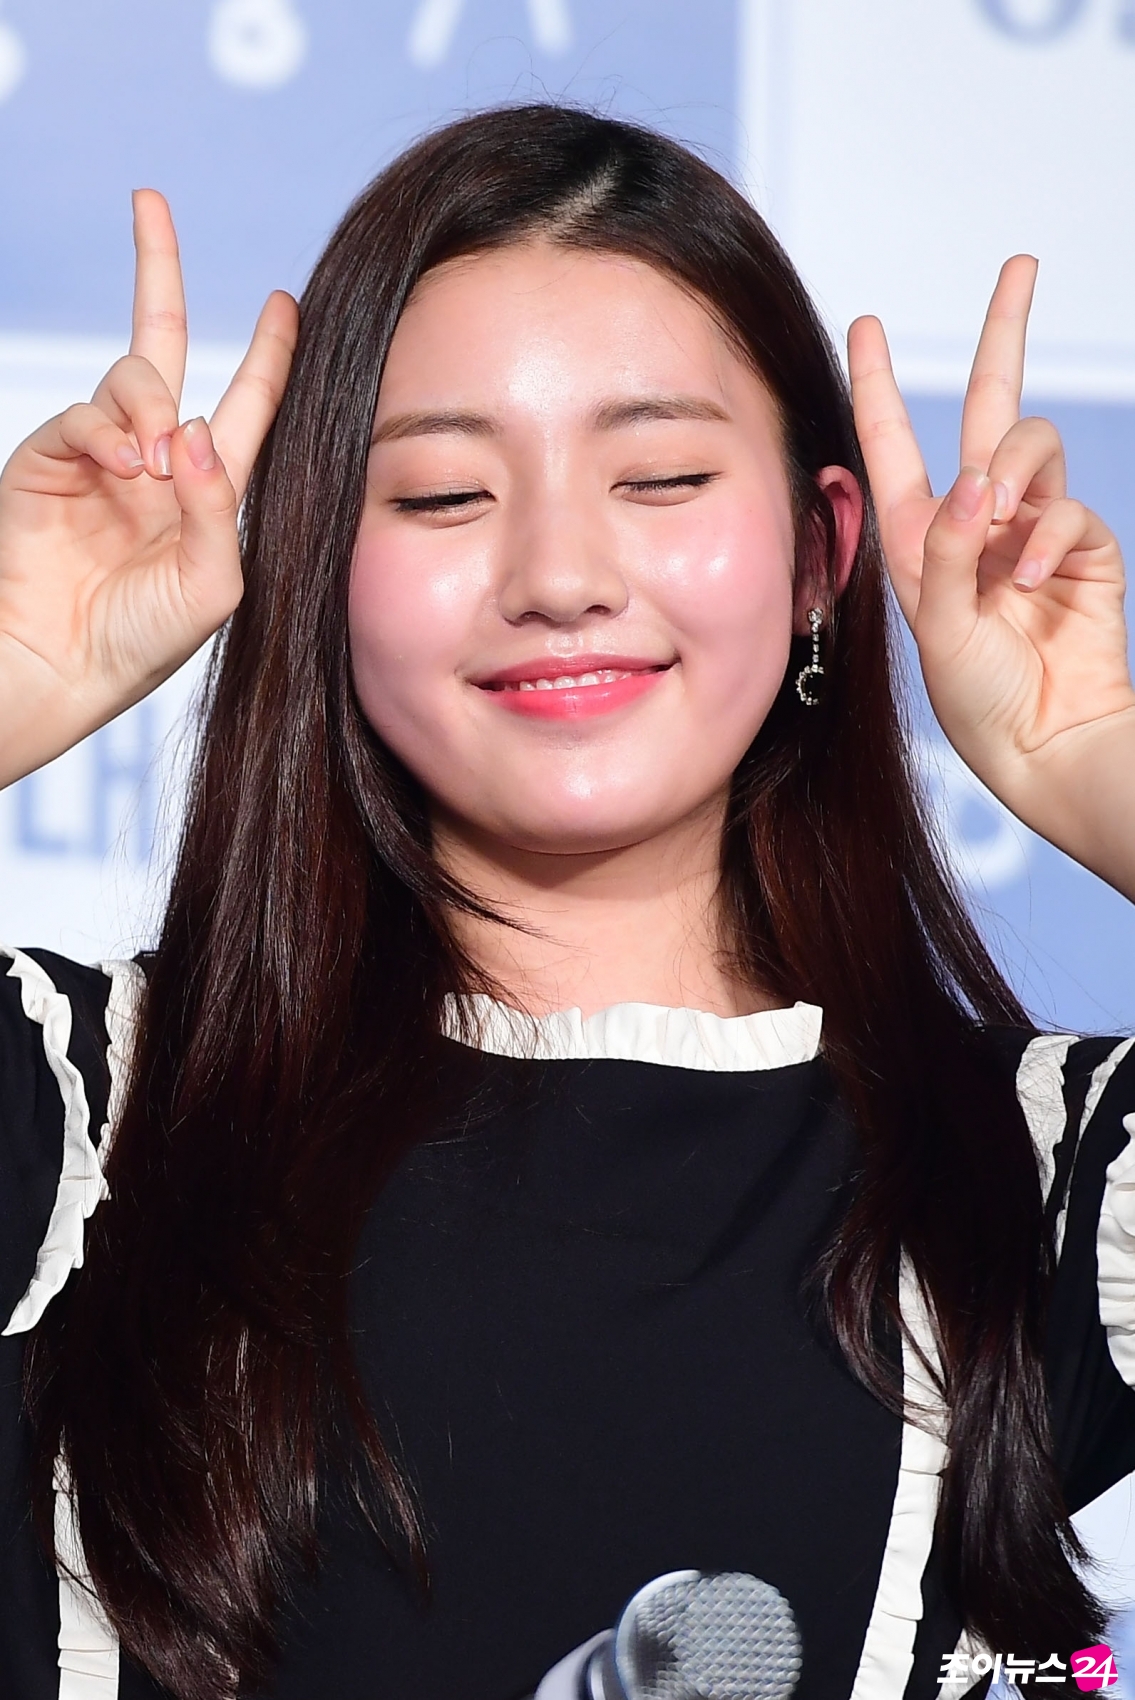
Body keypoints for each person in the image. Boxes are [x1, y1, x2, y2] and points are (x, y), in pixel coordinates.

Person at [1, 103, 1133, 1700]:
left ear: (822, 555)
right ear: (316, 561)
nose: (558, 572)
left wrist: (1094, 757)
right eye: (445, 498)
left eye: (660, 476)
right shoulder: (81, 1115)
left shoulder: (1024, 1181)